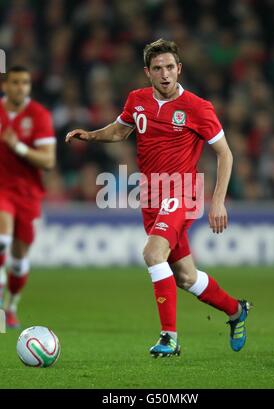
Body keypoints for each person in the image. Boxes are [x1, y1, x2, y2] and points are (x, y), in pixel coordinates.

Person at [66, 39, 251, 357]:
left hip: (182, 192)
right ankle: (237, 310)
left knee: (153, 254)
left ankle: (169, 338)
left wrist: (218, 201)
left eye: (170, 67)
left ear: (179, 69)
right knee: (186, 277)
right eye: (157, 68)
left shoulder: (198, 107)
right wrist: (91, 135)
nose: (165, 74)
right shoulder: (137, 100)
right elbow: (121, 130)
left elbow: (225, 153)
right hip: (151, 197)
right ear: (147, 73)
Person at [0, 66, 56, 328]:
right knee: (2, 237)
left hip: (28, 193)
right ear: (5, 85)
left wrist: (18, 147)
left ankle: (11, 306)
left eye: (25, 82)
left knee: (20, 258)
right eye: (15, 82)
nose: (20, 87)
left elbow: (48, 160)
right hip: (2, 190)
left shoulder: (39, 115)